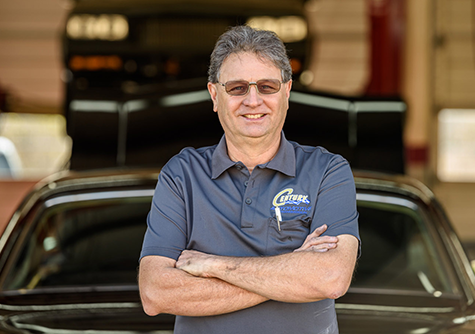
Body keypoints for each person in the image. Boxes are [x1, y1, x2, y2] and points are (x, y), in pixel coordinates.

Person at [138, 25, 360, 334]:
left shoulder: (327, 171)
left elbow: (331, 278)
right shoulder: (181, 174)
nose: (253, 101)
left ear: (287, 92)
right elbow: (155, 293)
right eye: (237, 88)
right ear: (215, 95)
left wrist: (214, 266)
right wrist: (291, 272)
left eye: (267, 86)